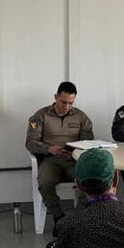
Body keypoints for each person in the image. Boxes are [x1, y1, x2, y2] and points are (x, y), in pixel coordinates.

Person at [25, 82, 94, 227]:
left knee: (89, 181)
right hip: (50, 161)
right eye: (63, 102)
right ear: (56, 97)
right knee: (45, 182)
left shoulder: (81, 117)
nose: (67, 106)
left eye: (71, 103)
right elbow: (30, 143)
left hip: (74, 160)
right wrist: (49, 149)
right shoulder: (40, 116)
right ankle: (59, 217)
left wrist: (74, 153)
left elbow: (88, 143)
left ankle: (78, 218)